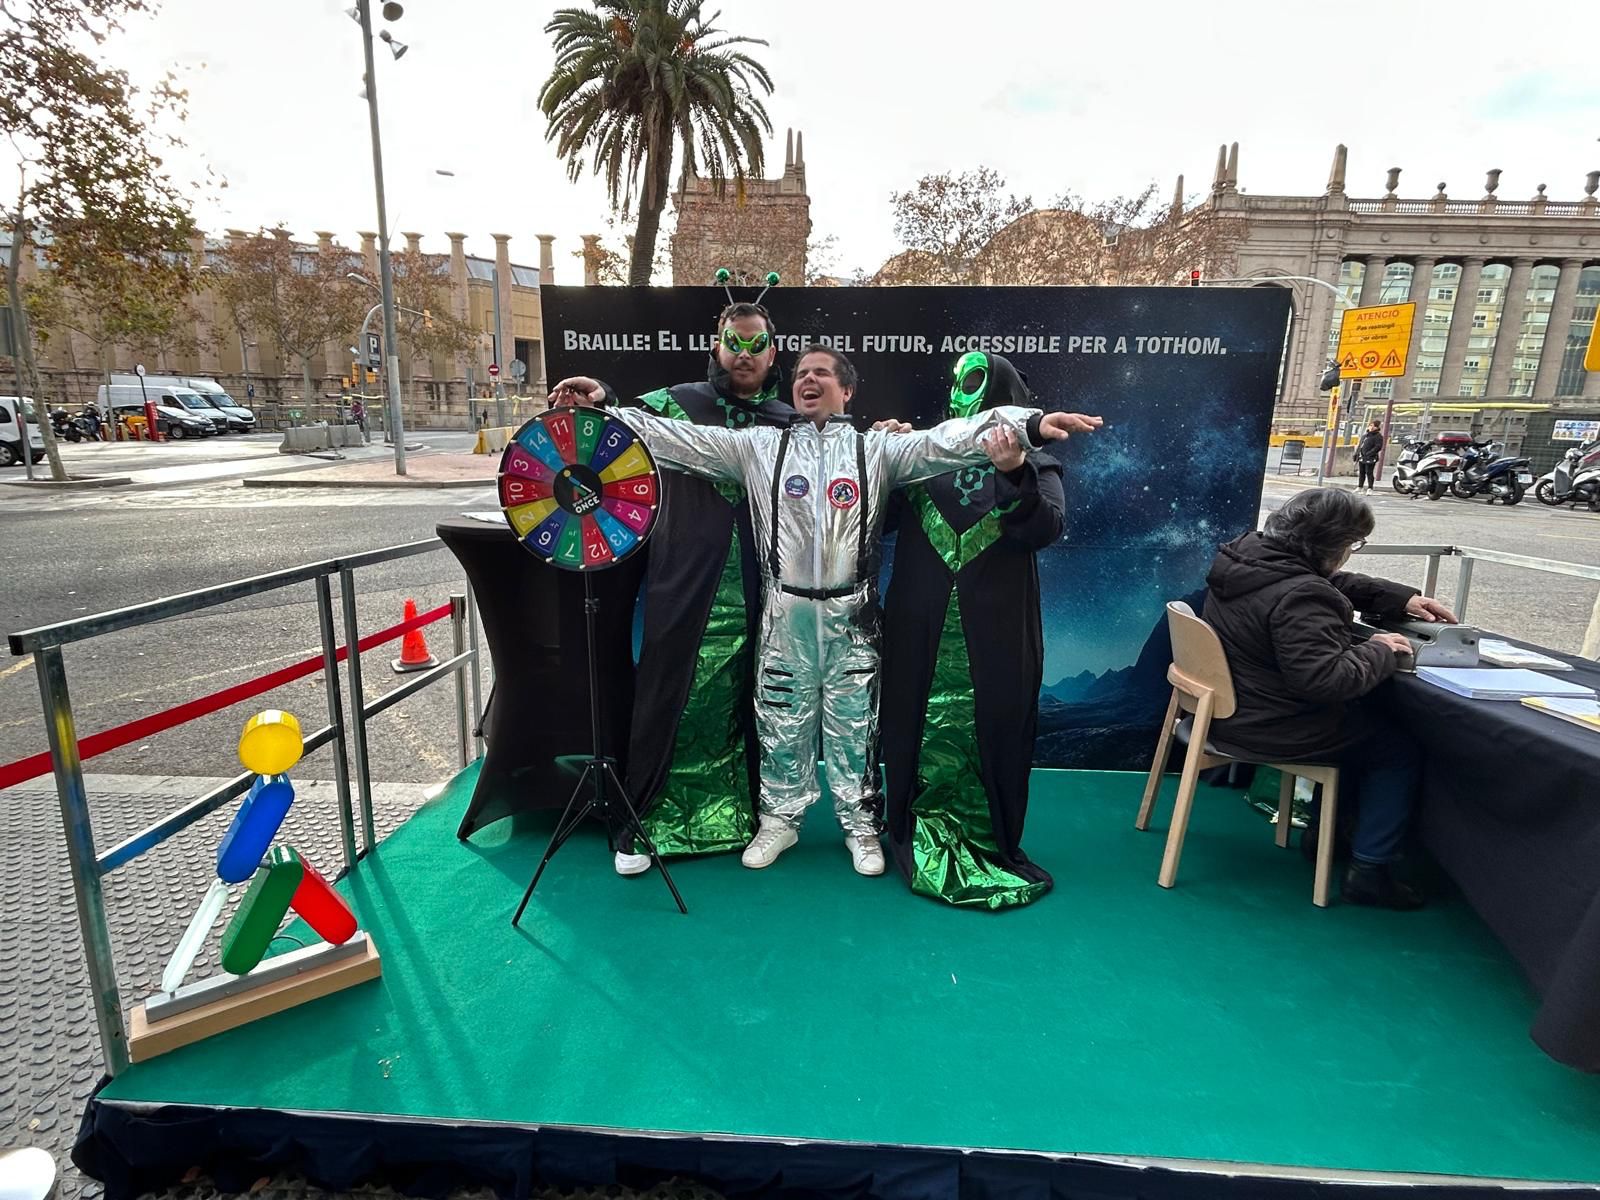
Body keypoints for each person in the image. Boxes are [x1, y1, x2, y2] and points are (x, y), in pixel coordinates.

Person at [550, 349, 1099, 876]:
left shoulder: (877, 451)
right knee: (780, 719)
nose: (808, 381)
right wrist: (604, 411)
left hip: (850, 612)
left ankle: (860, 825)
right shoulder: (757, 447)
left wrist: (1029, 423)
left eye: (822, 373)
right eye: (801, 375)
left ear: (847, 390)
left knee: (854, 724)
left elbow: (948, 440)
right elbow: (674, 438)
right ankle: (779, 821)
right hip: (785, 610)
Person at [595, 302, 796, 876]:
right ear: (716, 347)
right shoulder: (673, 405)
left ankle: (754, 817)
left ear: (773, 353)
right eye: (735, 343)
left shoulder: (792, 423)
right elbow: (619, 429)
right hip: (683, 577)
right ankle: (646, 818)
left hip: (764, 586)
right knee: (667, 688)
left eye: (756, 345)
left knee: (757, 697)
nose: (744, 355)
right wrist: (602, 398)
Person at [1201, 488, 1456, 909]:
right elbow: (1326, 682)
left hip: (1225, 713)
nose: (1350, 553)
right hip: (1270, 726)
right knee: (1395, 748)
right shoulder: (1301, 595)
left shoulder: (1244, 560)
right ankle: (1370, 869)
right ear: (1330, 546)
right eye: (1352, 544)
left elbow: (1320, 582)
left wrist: (1400, 599)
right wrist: (1380, 649)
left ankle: (1325, 836)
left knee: (1360, 728)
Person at [880, 352, 1065, 910]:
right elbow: (874, 520)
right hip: (919, 631)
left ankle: (987, 837)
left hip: (997, 636)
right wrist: (883, 459)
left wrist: (1013, 473)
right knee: (912, 721)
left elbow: (1045, 528)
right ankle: (911, 824)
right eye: (958, 381)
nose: (962, 392)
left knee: (996, 725)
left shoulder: (1037, 464)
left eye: (976, 381)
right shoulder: (923, 458)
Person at [1355, 420, 1383, 493]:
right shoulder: (1365, 436)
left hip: (1371, 457)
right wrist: (1356, 454)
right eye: (1370, 425)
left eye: (1373, 426)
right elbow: (1360, 445)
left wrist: (1369, 453)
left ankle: (1370, 488)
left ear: (1377, 427)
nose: (1371, 427)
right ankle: (1360, 486)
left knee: (1369, 472)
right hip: (1362, 456)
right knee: (1361, 472)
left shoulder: (1378, 436)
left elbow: (1378, 447)